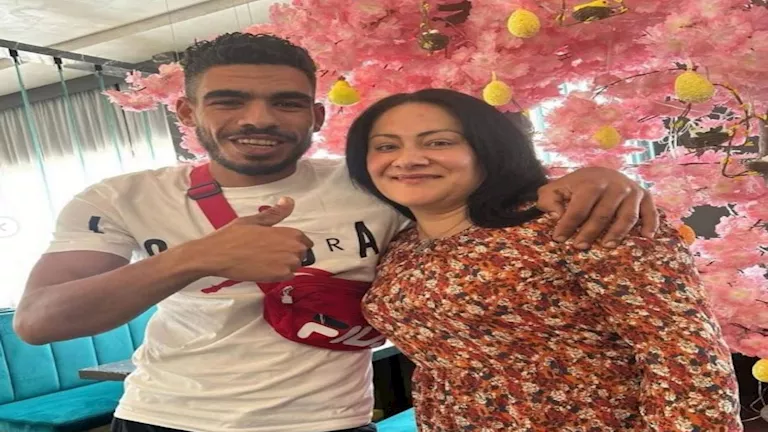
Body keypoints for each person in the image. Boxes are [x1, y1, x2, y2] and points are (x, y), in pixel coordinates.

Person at [14, 33, 658, 432]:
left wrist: (594, 176)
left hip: (332, 422)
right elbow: (40, 321)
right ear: (188, 111)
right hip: (170, 418)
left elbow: (482, 193)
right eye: (229, 100)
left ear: (316, 115)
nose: (259, 119)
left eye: (286, 102)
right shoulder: (120, 197)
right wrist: (195, 258)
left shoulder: (373, 180)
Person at [345, 89, 742, 431]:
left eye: (438, 142)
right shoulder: (400, 245)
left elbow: (684, 355)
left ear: (488, 149)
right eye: (386, 146)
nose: (409, 159)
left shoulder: (580, 216)